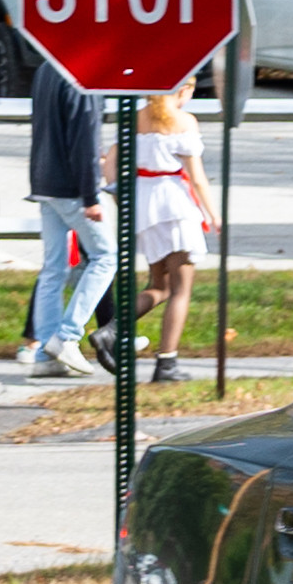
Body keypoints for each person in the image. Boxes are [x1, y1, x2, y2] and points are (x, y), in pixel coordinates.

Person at [102, 77, 220, 383]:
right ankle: (166, 363)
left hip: (144, 204)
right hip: (174, 204)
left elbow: (110, 165)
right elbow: (197, 177)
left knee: (160, 285)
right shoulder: (184, 121)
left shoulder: (134, 118)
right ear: (185, 89)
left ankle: (113, 329)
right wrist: (214, 214)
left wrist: (121, 200)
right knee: (180, 289)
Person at [24, 60, 115, 379]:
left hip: (44, 181)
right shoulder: (83, 74)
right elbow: (85, 139)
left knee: (54, 268)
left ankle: (44, 356)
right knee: (106, 258)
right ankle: (66, 337)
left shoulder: (46, 68)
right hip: (73, 188)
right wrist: (91, 196)